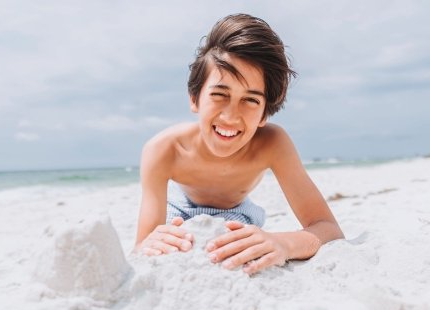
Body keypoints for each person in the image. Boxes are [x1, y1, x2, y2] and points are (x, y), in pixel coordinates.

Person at [134, 13, 344, 275]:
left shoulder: (272, 143)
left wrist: (282, 243)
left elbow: (327, 228)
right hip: (179, 209)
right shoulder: (163, 149)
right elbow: (142, 244)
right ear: (195, 99)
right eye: (220, 95)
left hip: (238, 212)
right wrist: (148, 244)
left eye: (251, 100)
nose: (231, 117)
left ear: (265, 114)